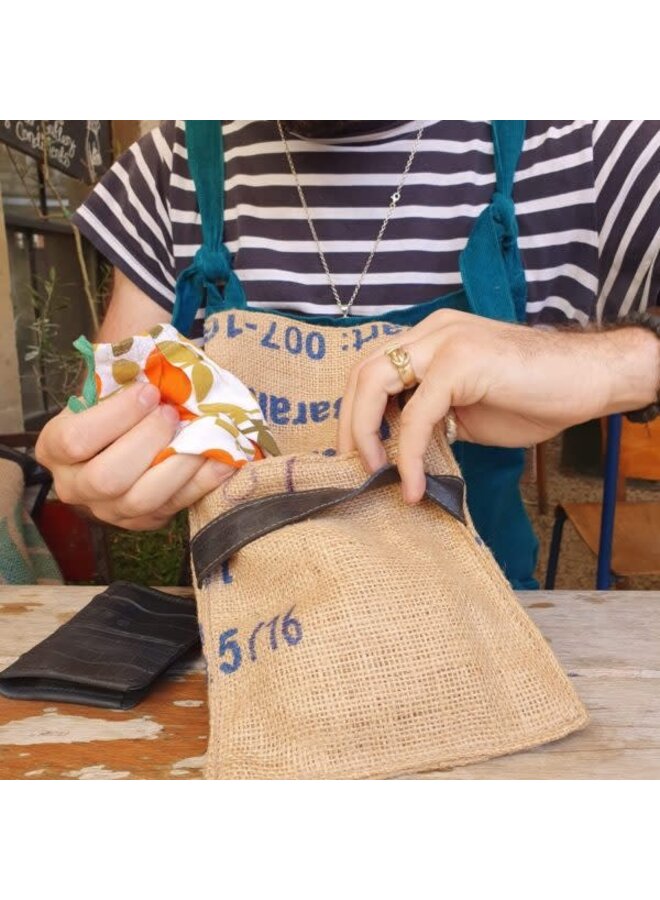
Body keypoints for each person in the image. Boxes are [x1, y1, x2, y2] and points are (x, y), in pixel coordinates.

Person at [35, 120, 660, 588]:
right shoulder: (169, 171)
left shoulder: (594, 150)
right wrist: (99, 466)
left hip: (486, 623)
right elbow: (114, 394)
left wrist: (612, 365)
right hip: (248, 639)